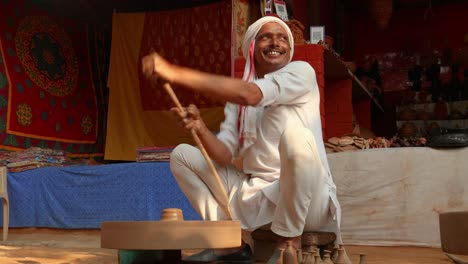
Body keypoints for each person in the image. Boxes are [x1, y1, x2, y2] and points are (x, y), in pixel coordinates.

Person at [142, 15, 347, 264]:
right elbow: (224, 157)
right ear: (252, 46)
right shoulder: (239, 105)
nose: (276, 42)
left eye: (283, 38)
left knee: (297, 137)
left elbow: (250, 94)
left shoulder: (301, 72)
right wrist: (201, 128)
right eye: (266, 37)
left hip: (308, 203)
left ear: (289, 49)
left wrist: (174, 73)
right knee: (182, 155)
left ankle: (287, 242)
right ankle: (227, 245)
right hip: (258, 197)